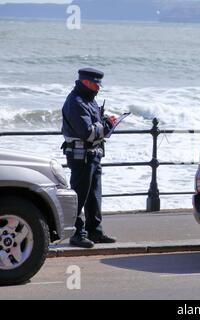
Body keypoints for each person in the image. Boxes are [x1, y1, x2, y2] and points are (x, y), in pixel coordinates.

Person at [62, 68, 117, 248]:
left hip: (93, 155)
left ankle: (95, 231)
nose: (98, 88)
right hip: (81, 157)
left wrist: (106, 121)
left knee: (94, 196)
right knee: (79, 196)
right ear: (86, 82)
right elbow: (87, 133)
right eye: (96, 84)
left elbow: (95, 125)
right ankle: (77, 234)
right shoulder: (76, 102)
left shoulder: (88, 100)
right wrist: (108, 125)